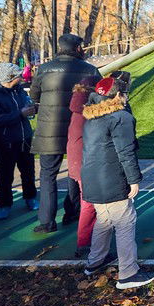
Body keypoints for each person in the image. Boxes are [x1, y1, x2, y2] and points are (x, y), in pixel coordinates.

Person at [81, 77, 154, 289]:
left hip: (92, 176)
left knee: (104, 219)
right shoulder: (120, 117)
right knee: (125, 221)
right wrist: (134, 180)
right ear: (117, 96)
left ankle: (95, 260)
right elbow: (126, 151)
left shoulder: (92, 116)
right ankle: (128, 273)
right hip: (110, 177)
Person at [31, 33, 101, 233]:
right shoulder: (90, 70)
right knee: (75, 172)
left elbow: (34, 95)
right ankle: (73, 213)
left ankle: (46, 221)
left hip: (49, 130)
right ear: (78, 48)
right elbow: (99, 96)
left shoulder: (43, 69)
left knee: (47, 175)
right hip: (78, 129)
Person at [0, 63, 38, 220]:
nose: (21, 78)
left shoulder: (19, 91)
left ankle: (30, 197)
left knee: (28, 172)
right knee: (5, 176)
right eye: (17, 76)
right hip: (6, 142)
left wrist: (31, 109)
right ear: (8, 78)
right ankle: (4, 205)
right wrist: (19, 113)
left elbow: (26, 107)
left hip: (25, 139)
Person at [67, 76, 99, 257]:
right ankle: (84, 242)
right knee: (89, 203)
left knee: (87, 201)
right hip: (84, 161)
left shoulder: (77, 108)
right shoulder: (87, 111)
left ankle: (88, 238)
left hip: (78, 160)